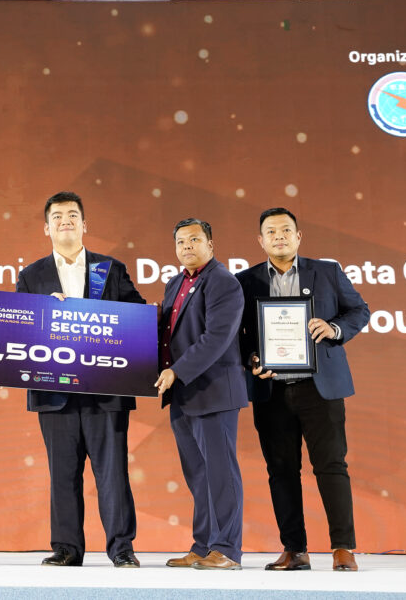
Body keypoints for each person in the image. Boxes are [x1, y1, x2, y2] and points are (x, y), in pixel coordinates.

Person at [16, 191, 144, 568]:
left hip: (106, 391)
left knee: (112, 473)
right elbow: (18, 330)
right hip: (54, 393)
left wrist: (103, 314)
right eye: (57, 216)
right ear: (47, 228)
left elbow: (138, 315)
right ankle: (67, 548)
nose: (65, 221)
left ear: (84, 224)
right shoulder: (31, 275)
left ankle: (122, 548)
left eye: (72, 215)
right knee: (63, 474)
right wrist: (44, 312)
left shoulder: (111, 268)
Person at [237, 208, 369, 572]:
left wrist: (334, 329)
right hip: (271, 390)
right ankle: (294, 550)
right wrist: (250, 358)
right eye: (271, 231)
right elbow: (236, 333)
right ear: (260, 240)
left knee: (331, 466)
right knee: (281, 470)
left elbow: (359, 310)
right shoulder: (245, 281)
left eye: (285, 230)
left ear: (298, 236)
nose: (279, 236)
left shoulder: (327, 272)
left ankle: (343, 547)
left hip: (320, 388)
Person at [155, 218, 246, 570]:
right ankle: (204, 545)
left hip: (213, 392)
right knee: (198, 474)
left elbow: (217, 338)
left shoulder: (223, 281)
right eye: (181, 241)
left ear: (211, 244)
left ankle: (227, 549)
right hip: (182, 395)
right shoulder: (174, 283)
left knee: (221, 473)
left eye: (194, 240)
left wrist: (177, 371)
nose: (187, 246)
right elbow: (167, 334)